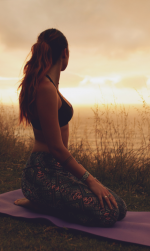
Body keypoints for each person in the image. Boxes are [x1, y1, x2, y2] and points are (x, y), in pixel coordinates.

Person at [14, 28, 127, 227]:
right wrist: (89, 179)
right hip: (40, 172)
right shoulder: (45, 89)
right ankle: (40, 204)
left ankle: (44, 203)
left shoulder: (50, 86)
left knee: (119, 207)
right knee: (108, 213)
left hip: (59, 170)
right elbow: (56, 148)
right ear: (65, 53)